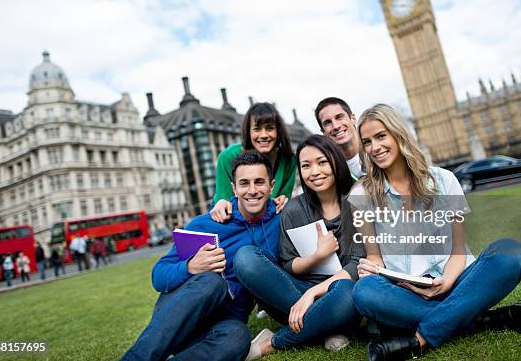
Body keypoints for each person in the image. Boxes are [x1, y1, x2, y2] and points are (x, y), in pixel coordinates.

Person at [349, 104, 521, 361]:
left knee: (510, 253)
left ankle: (419, 340)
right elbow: (375, 257)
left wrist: (446, 282)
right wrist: (370, 268)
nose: (374, 147)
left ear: (398, 134)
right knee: (364, 291)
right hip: (405, 291)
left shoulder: (444, 180)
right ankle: (478, 319)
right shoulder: (361, 195)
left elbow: (458, 251)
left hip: (457, 280)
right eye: (367, 142)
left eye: (381, 136)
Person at [122, 152, 281, 361]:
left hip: (220, 327)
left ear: (271, 185)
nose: (252, 190)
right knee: (212, 281)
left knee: (238, 337)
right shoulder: (205, 224)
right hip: (180, 316)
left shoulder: (281, 220)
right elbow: (158, 275)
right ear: (234, 188)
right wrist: (189, 267)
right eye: (244, 183)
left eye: (259, 182)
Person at [235, 135, 365, 359]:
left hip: (338, 294)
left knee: (348, 292)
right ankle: (326, 326)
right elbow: (287, 265)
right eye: (306, 166)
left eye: (322, 162)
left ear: (335, 161)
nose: (314, 171)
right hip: (294, 295)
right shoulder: (294, 209)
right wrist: (318, 256)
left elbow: (357, 266)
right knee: (245, 258)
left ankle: (271, 342)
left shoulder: (357, 201)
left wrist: (312, 295)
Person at [211, 102, 297, 222]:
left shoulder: (289, 159)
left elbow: (283, 199)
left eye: (270, 128)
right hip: (234, 220)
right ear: (248, 132)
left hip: (269, 220)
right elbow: (223, 200)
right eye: (257, 129)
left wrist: (283, 200)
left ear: (278, 131)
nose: (263, 135)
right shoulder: (227, 157)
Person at [315, 97, 364, 181]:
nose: (336, 126)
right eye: (328, 123)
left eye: (339, 117)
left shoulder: (379, 150)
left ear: (353, 119)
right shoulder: (329, 172)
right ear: (323, 131)